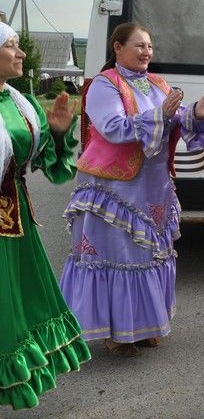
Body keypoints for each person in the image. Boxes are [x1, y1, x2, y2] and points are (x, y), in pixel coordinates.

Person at [59, 22, 204, 358]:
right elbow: (114, 128)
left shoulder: (158, 83)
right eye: (139, 45)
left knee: (148, 255)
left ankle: (145, 325)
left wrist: (194, 113)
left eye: (149, 46)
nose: (147, 52)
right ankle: (117, 333)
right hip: (115, 187)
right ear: (117, 48)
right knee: (117, 254)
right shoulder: (105, 86)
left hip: (154, 185)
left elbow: (173, 119)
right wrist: (160, 115)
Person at [0, 23, 90, 410]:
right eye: (13, 46)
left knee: (16, 301)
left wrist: (55, 133)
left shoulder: (20, 102)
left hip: (15, 219)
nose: (21, 53)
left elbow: (50, 168)